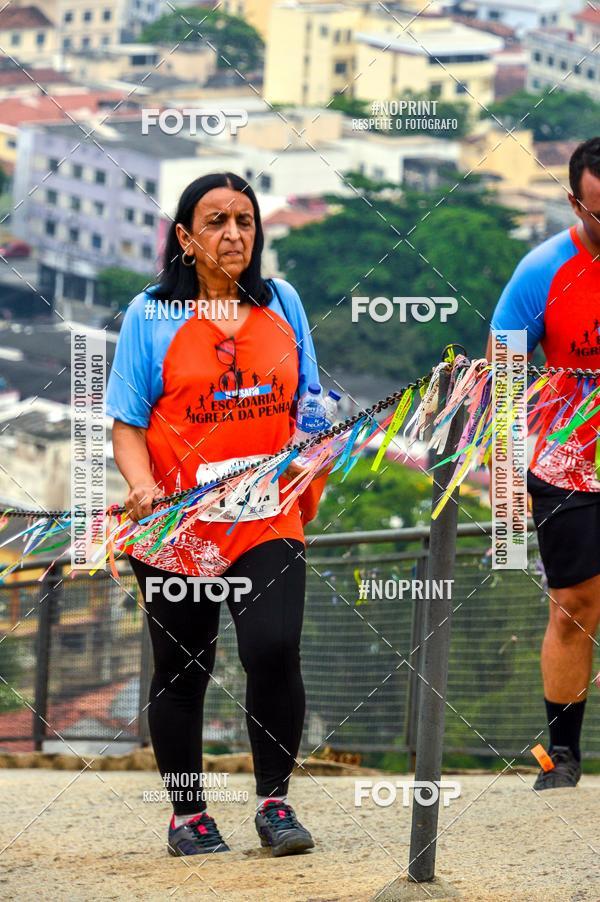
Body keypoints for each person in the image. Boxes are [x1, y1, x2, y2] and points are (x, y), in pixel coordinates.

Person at [106, 172, 329, 855]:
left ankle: (275, 805)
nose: (234, 234)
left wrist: (310, 445)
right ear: (185, 237)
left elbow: (310, 397)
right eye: (216, 222)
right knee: (183, 669)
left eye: (245, 220)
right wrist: (140, 484)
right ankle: (188, 816)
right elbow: (127, 423)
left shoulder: (283, 302)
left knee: (274, 648)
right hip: (178, 527)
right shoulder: (149, 315)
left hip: (266, 516)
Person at [487, 137, 600, 790]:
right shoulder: (541, 272)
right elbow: (502, 379)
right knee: (572, 605)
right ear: (575, 204)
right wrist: (506, 495)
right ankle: (563, 753)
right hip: (568, 462)